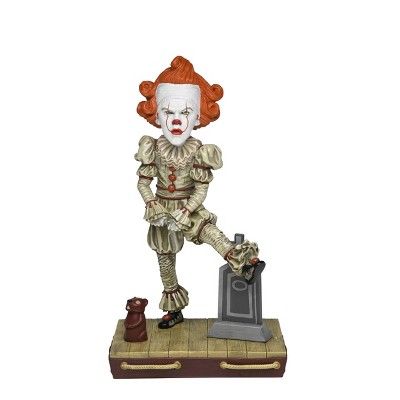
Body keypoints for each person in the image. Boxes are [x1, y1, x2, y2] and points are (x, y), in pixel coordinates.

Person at [135, 56, 265, 329]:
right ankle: (174, 309)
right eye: (168, 112)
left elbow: (202, 188)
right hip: (161, 211)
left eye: (185, 113)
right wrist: (151, 202)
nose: (176, 120)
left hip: (189, 207)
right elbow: (143, 182)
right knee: (165, 259)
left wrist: (187, 209)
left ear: (198, 117)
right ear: (156, 115)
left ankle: (243, 263)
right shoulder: (152, 148)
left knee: (210, 232)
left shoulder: (199, 152)